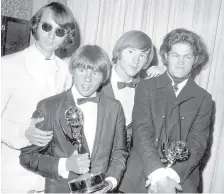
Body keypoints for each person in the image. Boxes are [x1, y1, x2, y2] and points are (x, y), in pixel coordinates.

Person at [19, 45, 128, 193]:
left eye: (95, 72)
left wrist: (109, 183)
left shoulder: (114, 108)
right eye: (82, 70)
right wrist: (65, 165)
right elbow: (27, 157)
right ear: (72, 70)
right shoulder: (49, 106)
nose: (87, 79)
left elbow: (119, 153)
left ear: (104, 77)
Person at [119, 28, 213, 193]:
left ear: (195, 60)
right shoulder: (146, 87)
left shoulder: (204, 98)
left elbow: (197, 144)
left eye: (187, 57)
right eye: (175, 55)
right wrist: (159, 176)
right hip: (140, 174)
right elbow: (142, 133)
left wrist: (171, 177)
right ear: (166, 56)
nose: (180, 62)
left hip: (181, 180)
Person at [1, 2, 78, 193]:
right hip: (12, 169)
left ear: (66, 37)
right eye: (47, 26)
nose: (52, 35)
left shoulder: (67, 73)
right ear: (36, 25)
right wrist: (22, 132)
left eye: (60, 31)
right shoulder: (7, 65)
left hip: (49, 174)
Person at [99, 30, 165, 150]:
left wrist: (166, 81)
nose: (136, 60)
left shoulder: (147, 89)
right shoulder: (97, 79)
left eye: (142, 55)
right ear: (119, 52)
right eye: (131, 52)